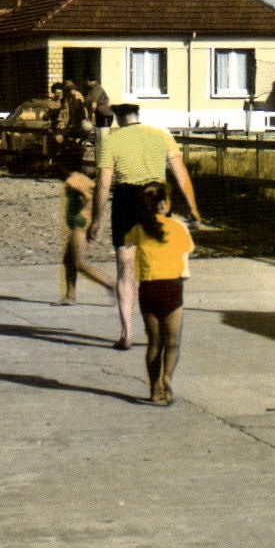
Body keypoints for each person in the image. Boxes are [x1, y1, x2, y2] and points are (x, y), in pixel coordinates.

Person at [90, 101, 199, 350]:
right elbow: (181, 173)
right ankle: (161, 331)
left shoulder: (111, 142)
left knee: (125, 268)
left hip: (126, 200)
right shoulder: (161, 136)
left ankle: (127, 334)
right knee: (158, 267)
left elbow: (103, 184)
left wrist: (96, 219)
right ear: (138, 115)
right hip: (156, 199)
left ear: (118, 118)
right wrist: (192, 208)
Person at [124, 183, 194, 405]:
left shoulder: (138, 230)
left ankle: (154, 391)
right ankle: (167, 378)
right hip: (172, 287)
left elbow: (127, 242)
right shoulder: (178, 227)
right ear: (165, 204)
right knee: (172, 341)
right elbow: (188, 249)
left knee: (154, 343)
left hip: (149, 289)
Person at [59, 169, 115, 305]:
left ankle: (109, 283)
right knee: (68, 260)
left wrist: (80, 201)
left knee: (77, 262)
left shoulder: (75, 180)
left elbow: (87, 196)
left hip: (81, 224)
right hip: (80, 222)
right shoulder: (82, 179)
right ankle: (70, 296)